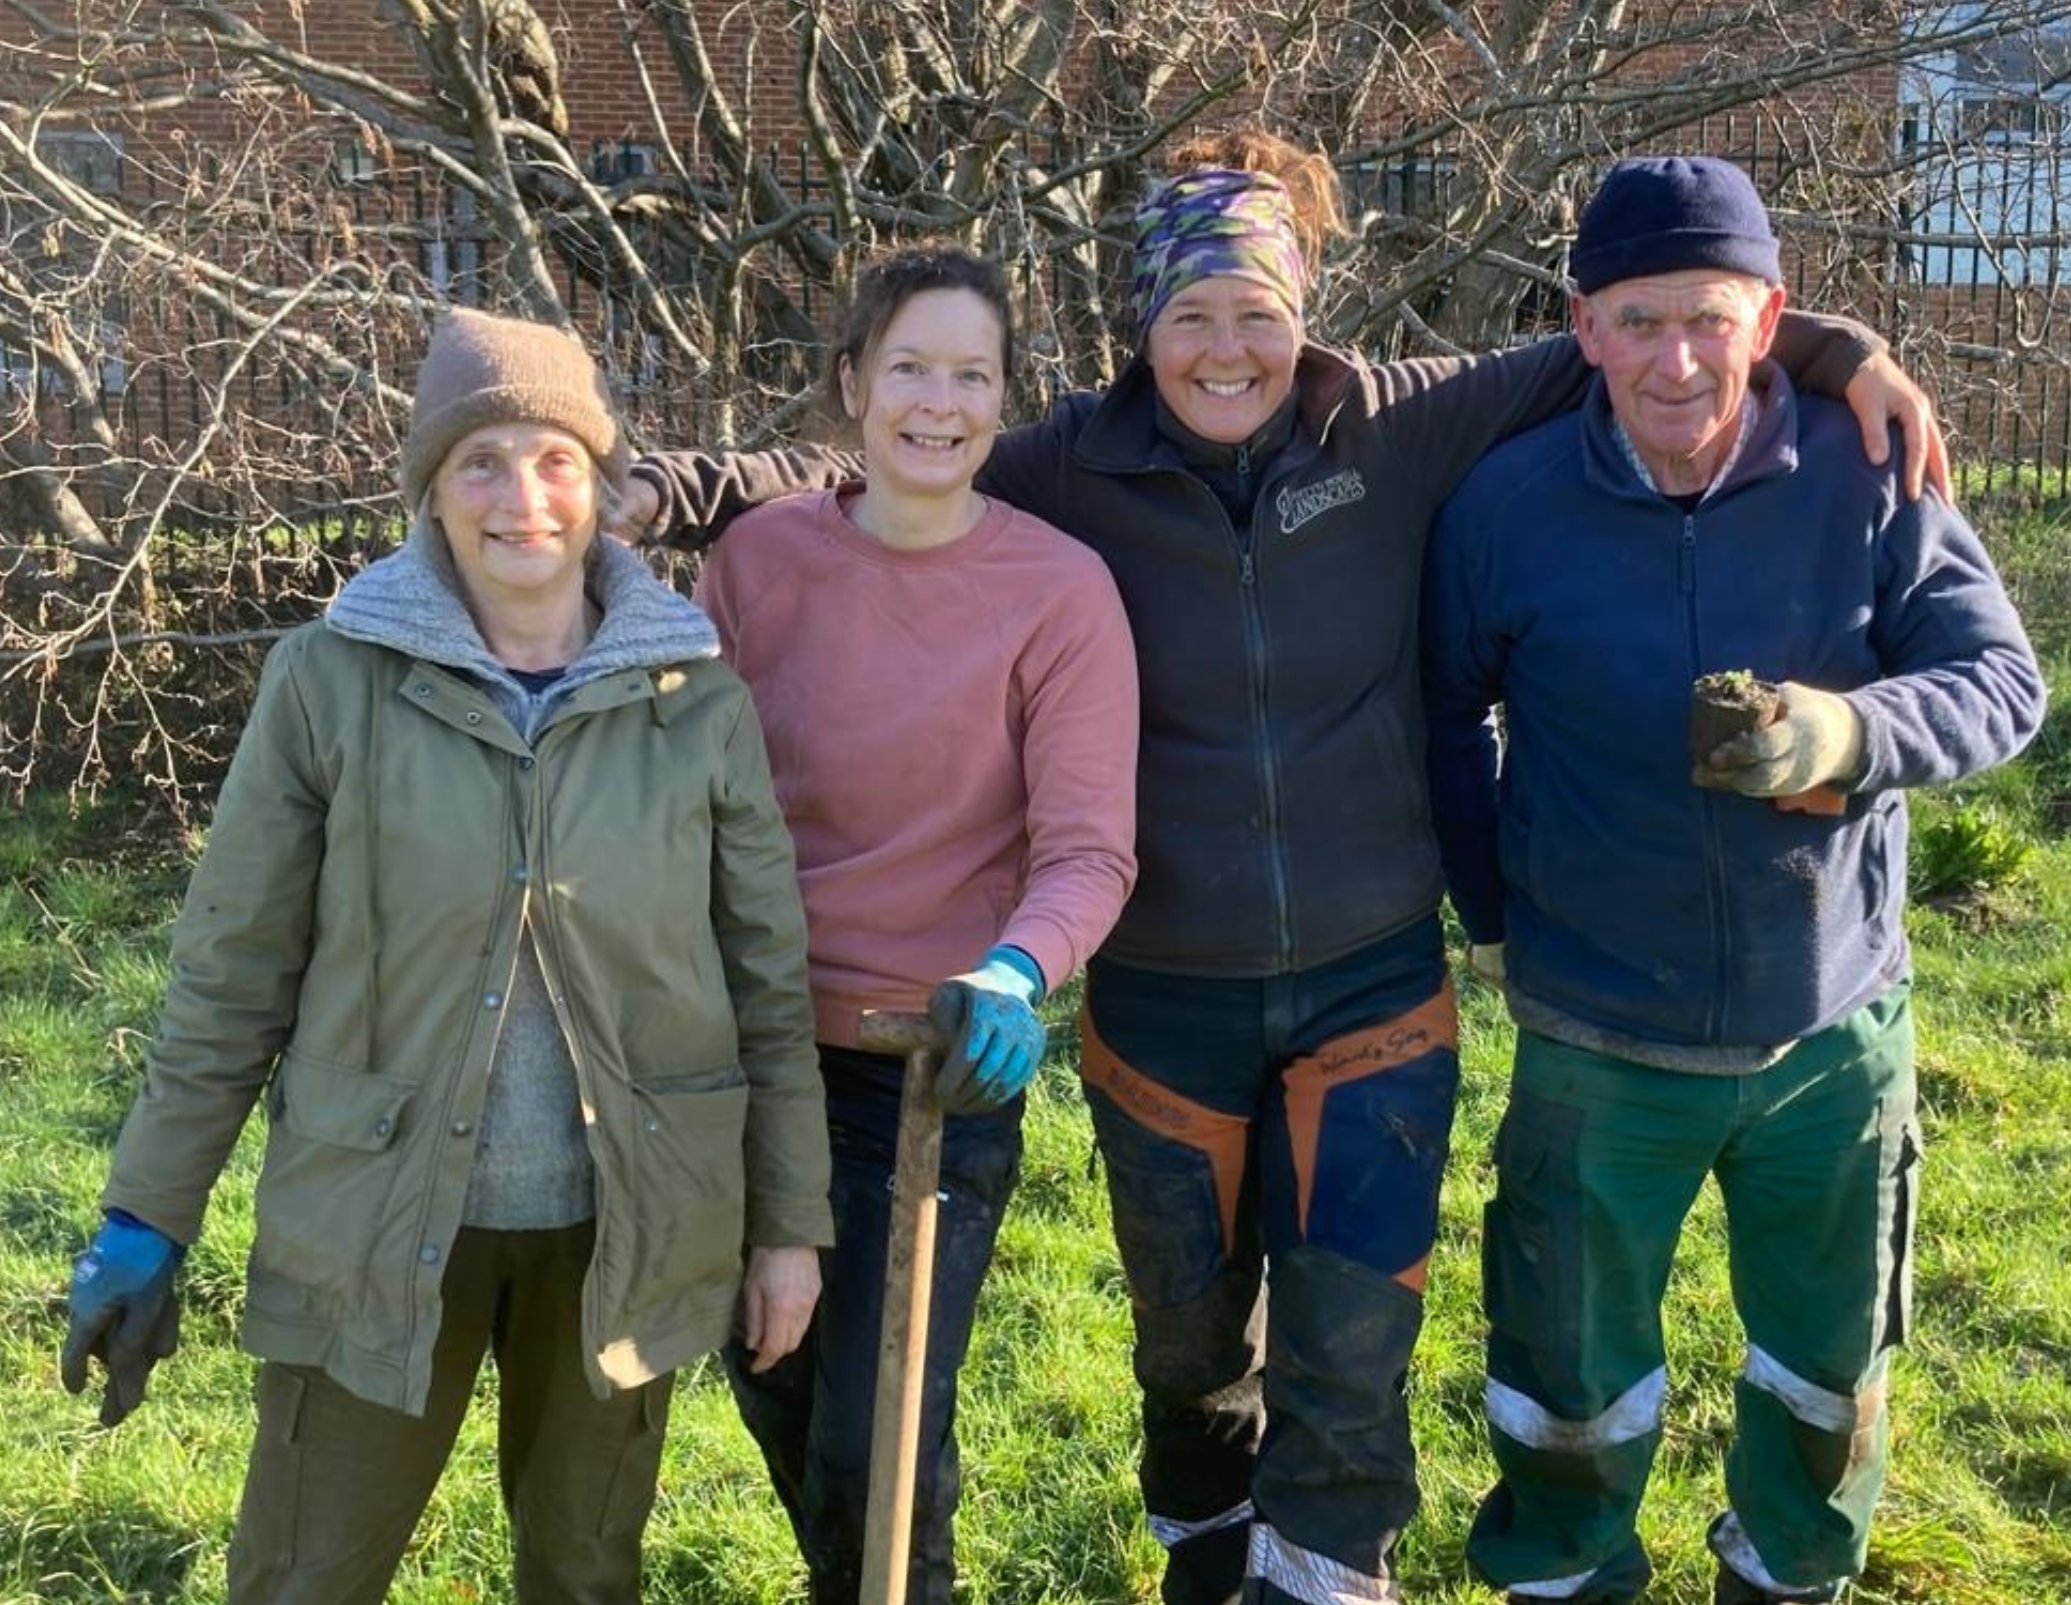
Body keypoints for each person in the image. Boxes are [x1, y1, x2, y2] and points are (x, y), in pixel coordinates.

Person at [618, 129, 1951, 1605]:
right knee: (1190, 1344)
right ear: (1140, 326)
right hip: (1164, 995)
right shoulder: (1070, 463)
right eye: (1189, 313)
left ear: (1304, 308)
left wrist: (1834, 348)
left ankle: (1325, 1573)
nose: (1226, 347)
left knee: (1353, 1333)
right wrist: (670, 490)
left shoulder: (1401, 424)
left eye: (1257, 307)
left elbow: (1627, 331)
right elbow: (883, 449)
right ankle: (1205, 1546)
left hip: (1368, 975)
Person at [57, 308, 833, 1605]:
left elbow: (766, 983)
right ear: (429, 487)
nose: (519, 498)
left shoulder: (692, 704)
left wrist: (789, 1226)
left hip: (622, 1228)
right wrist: (147, 1214)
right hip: (373, 1220)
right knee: (303, 1573)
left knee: (585, 1576)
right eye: (479, 461)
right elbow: (229, 973)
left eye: (553, 460)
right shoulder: (328, 682)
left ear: (600, 485)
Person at [1421, 156, 2045, 1605]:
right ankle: (1571, 1576)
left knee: (1826, 1368)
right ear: (1581, 331)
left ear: (1768, 316)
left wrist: (1851, 731)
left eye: (1707, 317)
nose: (1675, 358)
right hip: (1594, 1033)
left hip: (1828, 1027)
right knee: (1563, 1378)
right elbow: (1444, 716)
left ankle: (1786, 1576)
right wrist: (1496, 913)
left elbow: (2002, 683)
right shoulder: (1506, 504)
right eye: (1636, 322)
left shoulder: (1863, 473)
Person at [697, 244, 1140, 1605]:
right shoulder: (760, 561)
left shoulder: (1057, 592)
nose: (937, 404)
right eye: (908, 369)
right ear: (849, 385)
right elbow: (681, 787)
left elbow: (1087, 851)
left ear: (1004, 400)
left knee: (876, 1452)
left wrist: (1012, 971)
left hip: (929, 1070)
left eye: (971, 375)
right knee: (773, 1382)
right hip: (743, 1054)